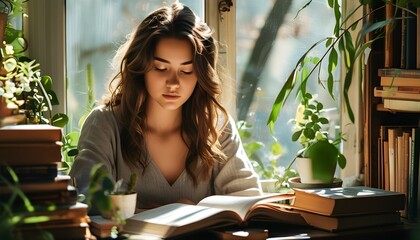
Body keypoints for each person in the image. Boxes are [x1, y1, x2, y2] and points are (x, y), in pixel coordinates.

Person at [69, 2, 262, 210]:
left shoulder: (216, 127)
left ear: (200, 75)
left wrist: (191, 211)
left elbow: (249, 202)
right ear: (140, 67)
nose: (173, 83)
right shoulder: (105, 125)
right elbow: (87, 202)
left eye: (186, 71)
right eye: (161, 68)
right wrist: (168, 212)